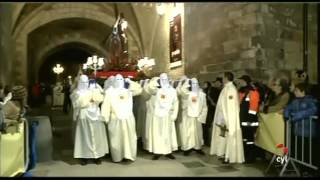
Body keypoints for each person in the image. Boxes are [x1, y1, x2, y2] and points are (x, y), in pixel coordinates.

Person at [101, 74, 142, 163]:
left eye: (121, 79)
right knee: (116, 139)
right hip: (115, 118)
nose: (119, 81)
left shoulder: (128, 91)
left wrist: (130, 81)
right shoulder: (110, 91)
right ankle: (117, 156)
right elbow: (106, 105)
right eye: (117, 79)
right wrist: (106, 117)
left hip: (128, 118)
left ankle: (128, 155)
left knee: (129, 138)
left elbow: (139, 90)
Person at [70, 75, 109, 165]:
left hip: (95, 115)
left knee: (97, 136)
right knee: (85, 137)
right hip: (84, 116)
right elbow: (78, 103)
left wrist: (95, 91)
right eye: (83, 82)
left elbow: (100, 99)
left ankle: (97, 156)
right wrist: (89, 99)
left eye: (86, 82)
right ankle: (84, 156)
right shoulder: (77, 92)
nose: (85, 84)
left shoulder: (93, 90)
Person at [284, 82, 319, 176]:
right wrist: (286, 115)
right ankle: (302, 169)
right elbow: (288, 108)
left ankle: (309, 171)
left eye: (296, 90)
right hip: (298, 131)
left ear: (303, 91)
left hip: (308, 132)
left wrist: (296, 116)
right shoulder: (295, 101)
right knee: (300, 151)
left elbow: (313, 110)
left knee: (308, 152)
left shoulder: (310, 100)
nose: (294, 92)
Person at [210, 72, 244, 164]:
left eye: (223, 78)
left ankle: (229, 156)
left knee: (230, 137)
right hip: (223, 118)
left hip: (228, 118)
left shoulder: (231, 89)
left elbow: (231, 106)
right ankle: (224, 153)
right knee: (223, 136)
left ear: (226, 78)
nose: (222, 79)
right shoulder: (226, 88)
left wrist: (227, 119)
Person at [144, 73, 179, 160]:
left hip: (167, 115)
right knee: (158, 134)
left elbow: (176, 103)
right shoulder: (156, 90)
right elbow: (149, 89)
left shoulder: (172, 91)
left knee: (167, 134)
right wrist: (156, 81)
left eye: (165, 79)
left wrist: (174, 115)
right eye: (161, 79)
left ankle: (168, 151)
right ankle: (157, 152)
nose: (164, 81)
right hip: (157, 115)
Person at [177, 78, 208, 156]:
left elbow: (204, 107)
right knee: (188, 133)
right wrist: (187, 81)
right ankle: (187, 148)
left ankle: (198, 148)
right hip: (188, 117)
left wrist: (202, 117)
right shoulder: (187, 94)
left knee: (197, 133)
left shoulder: (201, 95)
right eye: (192, 84)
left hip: (197, 117)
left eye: (196, 84)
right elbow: (182, 90)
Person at [237, 75, 260, 163]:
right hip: (243, 120)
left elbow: (253, 108)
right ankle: (245, 156)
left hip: (250, 121)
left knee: (250, 140)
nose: (239, 83)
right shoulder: (242, 91)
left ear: (245, 81)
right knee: (245, 139)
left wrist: (249, 120)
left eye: (241, 81)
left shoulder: (252, 92)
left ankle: (251, 158)